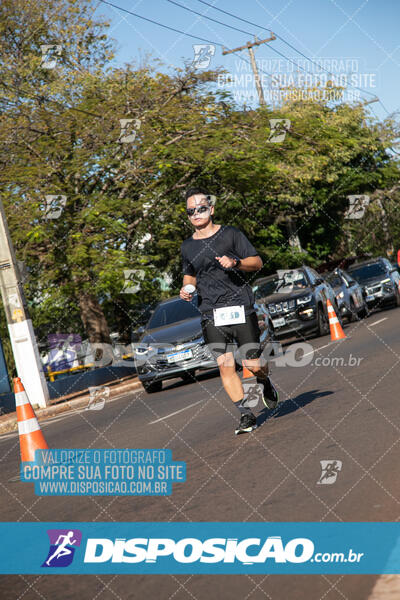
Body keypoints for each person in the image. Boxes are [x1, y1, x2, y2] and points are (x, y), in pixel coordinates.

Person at [180, 188, 279, 435]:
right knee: (225, 365)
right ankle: (246, 414)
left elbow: (257, 262)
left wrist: (235, 262)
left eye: (200, 209)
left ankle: (264, 380)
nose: (196, 214)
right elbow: (189, 274)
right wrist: (186, 289)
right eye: (191, 211)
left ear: (211, 209)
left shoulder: (231, 235)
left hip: (239, 307)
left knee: (252, 364)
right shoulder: (187, 247)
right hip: (210, 312)